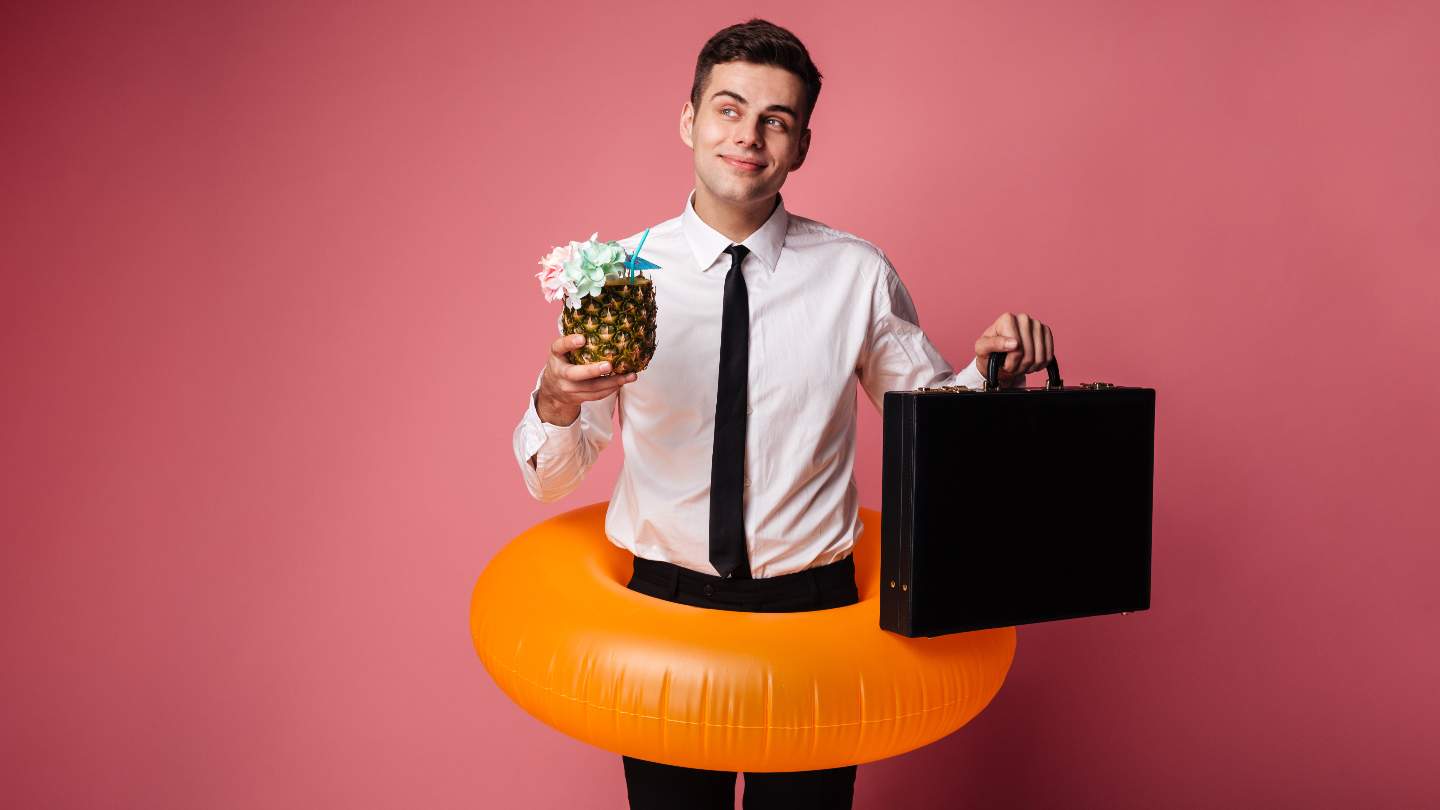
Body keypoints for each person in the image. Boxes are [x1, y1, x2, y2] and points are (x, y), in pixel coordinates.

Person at [512, 18, 1055, 810]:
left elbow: (927, 426)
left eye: (777, 120)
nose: (749, 136)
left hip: (812, 614)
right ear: (690, 121)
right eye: (729, 110)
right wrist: (555, 401)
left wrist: (991, 374)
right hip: (665, 610)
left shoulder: (856, 273)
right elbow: (550, 481)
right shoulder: (616, 274)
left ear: (801, 145)